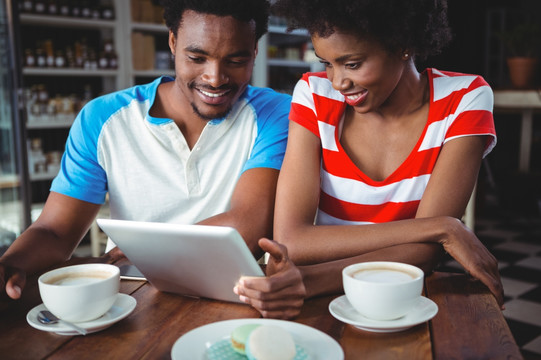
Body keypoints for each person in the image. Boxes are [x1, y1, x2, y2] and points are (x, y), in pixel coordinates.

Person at [0, 0, 305, 319]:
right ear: (173, 41)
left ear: (255, 52)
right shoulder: (102, 119)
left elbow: (247, 228)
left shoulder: (275, 114)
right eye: (197, 57)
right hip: (129, 300)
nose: (215, 78)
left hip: (230, 298)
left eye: (236, 59)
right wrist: (10, 265)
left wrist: (145, 251)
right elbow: (55, 231)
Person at [235, 0, 504, 311]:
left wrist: (310, 279)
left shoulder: (465, 98)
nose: (338, 82)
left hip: (400, 298)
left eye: (352, 64)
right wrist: (442, 228)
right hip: (317, 301)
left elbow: (424, 255)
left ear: (402, 45)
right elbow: (292, 240)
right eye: (327, 63)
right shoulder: (314, 94)